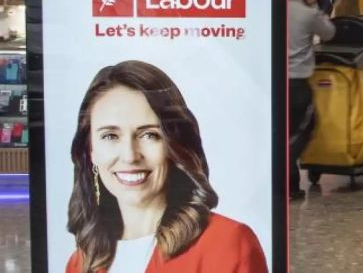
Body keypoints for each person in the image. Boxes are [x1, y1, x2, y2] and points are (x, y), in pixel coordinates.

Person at [66, 60, 267, 273]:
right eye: (110, 136)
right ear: (90, 152)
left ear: (174, 145)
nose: (130, 155)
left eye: (149, 134)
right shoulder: (80, 263)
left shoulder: (228, 243)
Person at [288, 0, 335, 200]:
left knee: (282, 131)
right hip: (298, 83)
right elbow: (329, 32)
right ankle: (289, 176)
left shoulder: (272, 9)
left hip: (274, 83)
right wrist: (315, 3)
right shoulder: (307, 14)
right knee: (304, 128)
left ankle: (288, 183)